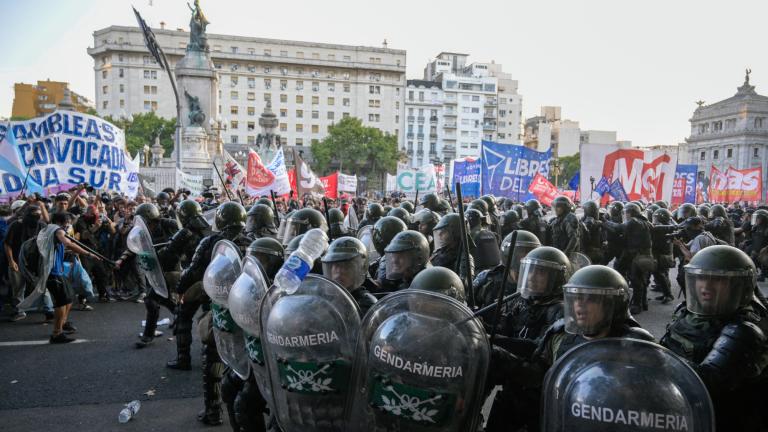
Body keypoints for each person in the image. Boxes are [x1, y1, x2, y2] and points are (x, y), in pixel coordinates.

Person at [660, 245, 768, 431]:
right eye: (701, 277)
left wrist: (655, 358)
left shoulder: (743, 330)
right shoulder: (686, 313)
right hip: (682, 409)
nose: (706, 286)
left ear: (739, 287)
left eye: (718, 280)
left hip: (724, 419)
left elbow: (707, 382)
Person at [485, 246, 572, 432]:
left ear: (556, 278)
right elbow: (504, 332)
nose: (532, 277)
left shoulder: (560, 312)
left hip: (537, 394)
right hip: (512, 387)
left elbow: (537, 348)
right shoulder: (521, 302)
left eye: (540, 273)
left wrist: (493, 341)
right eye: (530, 271)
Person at [45, 212, 104, 343]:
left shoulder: (49, 229)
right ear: (63, 222)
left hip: (57, 270)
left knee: (69, 297)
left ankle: (62, 324)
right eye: (68, 223)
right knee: (61, 302)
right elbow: (68, 243)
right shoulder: (57, 230)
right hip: (53, 272)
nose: (69, 226)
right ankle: (56, 334)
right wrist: (88, 253)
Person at [602, 202, 654, 314]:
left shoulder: (634, 221)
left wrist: (605, 222)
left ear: (630, 213)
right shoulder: (645, 222)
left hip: (637, 256)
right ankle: (643, 302)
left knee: (636, 280)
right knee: (641, 280)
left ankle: (637, 304)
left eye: (626, 213)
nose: (624, 215)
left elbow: (618, 228)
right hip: (645, 255)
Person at [473, 230, 541, 309]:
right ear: (508, 254)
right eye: (522, 251)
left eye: (530, 252)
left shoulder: (539, 285)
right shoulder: (487, 279)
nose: (527, 256)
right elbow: (467, 309)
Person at [4, 204, 47, 320]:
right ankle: (19, 311)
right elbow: (7, 244)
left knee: (42, 286)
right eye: (33, 215)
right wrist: (11, 261)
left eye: (38, 215)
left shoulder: (42, 225)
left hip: (35, 262)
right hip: (17, 262)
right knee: (18, 288)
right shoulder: (16, 225)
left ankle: (48, 310)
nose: (36, 217)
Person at [321, 237, 378, 317]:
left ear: (360, 268)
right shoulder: (325, 301)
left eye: (345, 266)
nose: (339, 271)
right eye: (336, 265)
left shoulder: (367, 305)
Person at [74, 204, 116, 302]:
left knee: (101, 273)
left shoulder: (101, 219)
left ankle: (103, 294)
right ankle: (82, 298)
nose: (94, 216)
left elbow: (113, 232)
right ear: (87, 213)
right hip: (85, 250)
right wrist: (95, 227)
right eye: (92, 214)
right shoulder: (82, 220)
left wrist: (110, 224)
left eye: (96, 214)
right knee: (85, 274)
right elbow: (84, 236)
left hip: (97, 250)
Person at [430, 213, 475, 287]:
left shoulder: (465, 258)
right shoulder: (440, 252)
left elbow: (465, 286)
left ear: (455, 233)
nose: (440, 235)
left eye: (444, 231)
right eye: (440, 232)